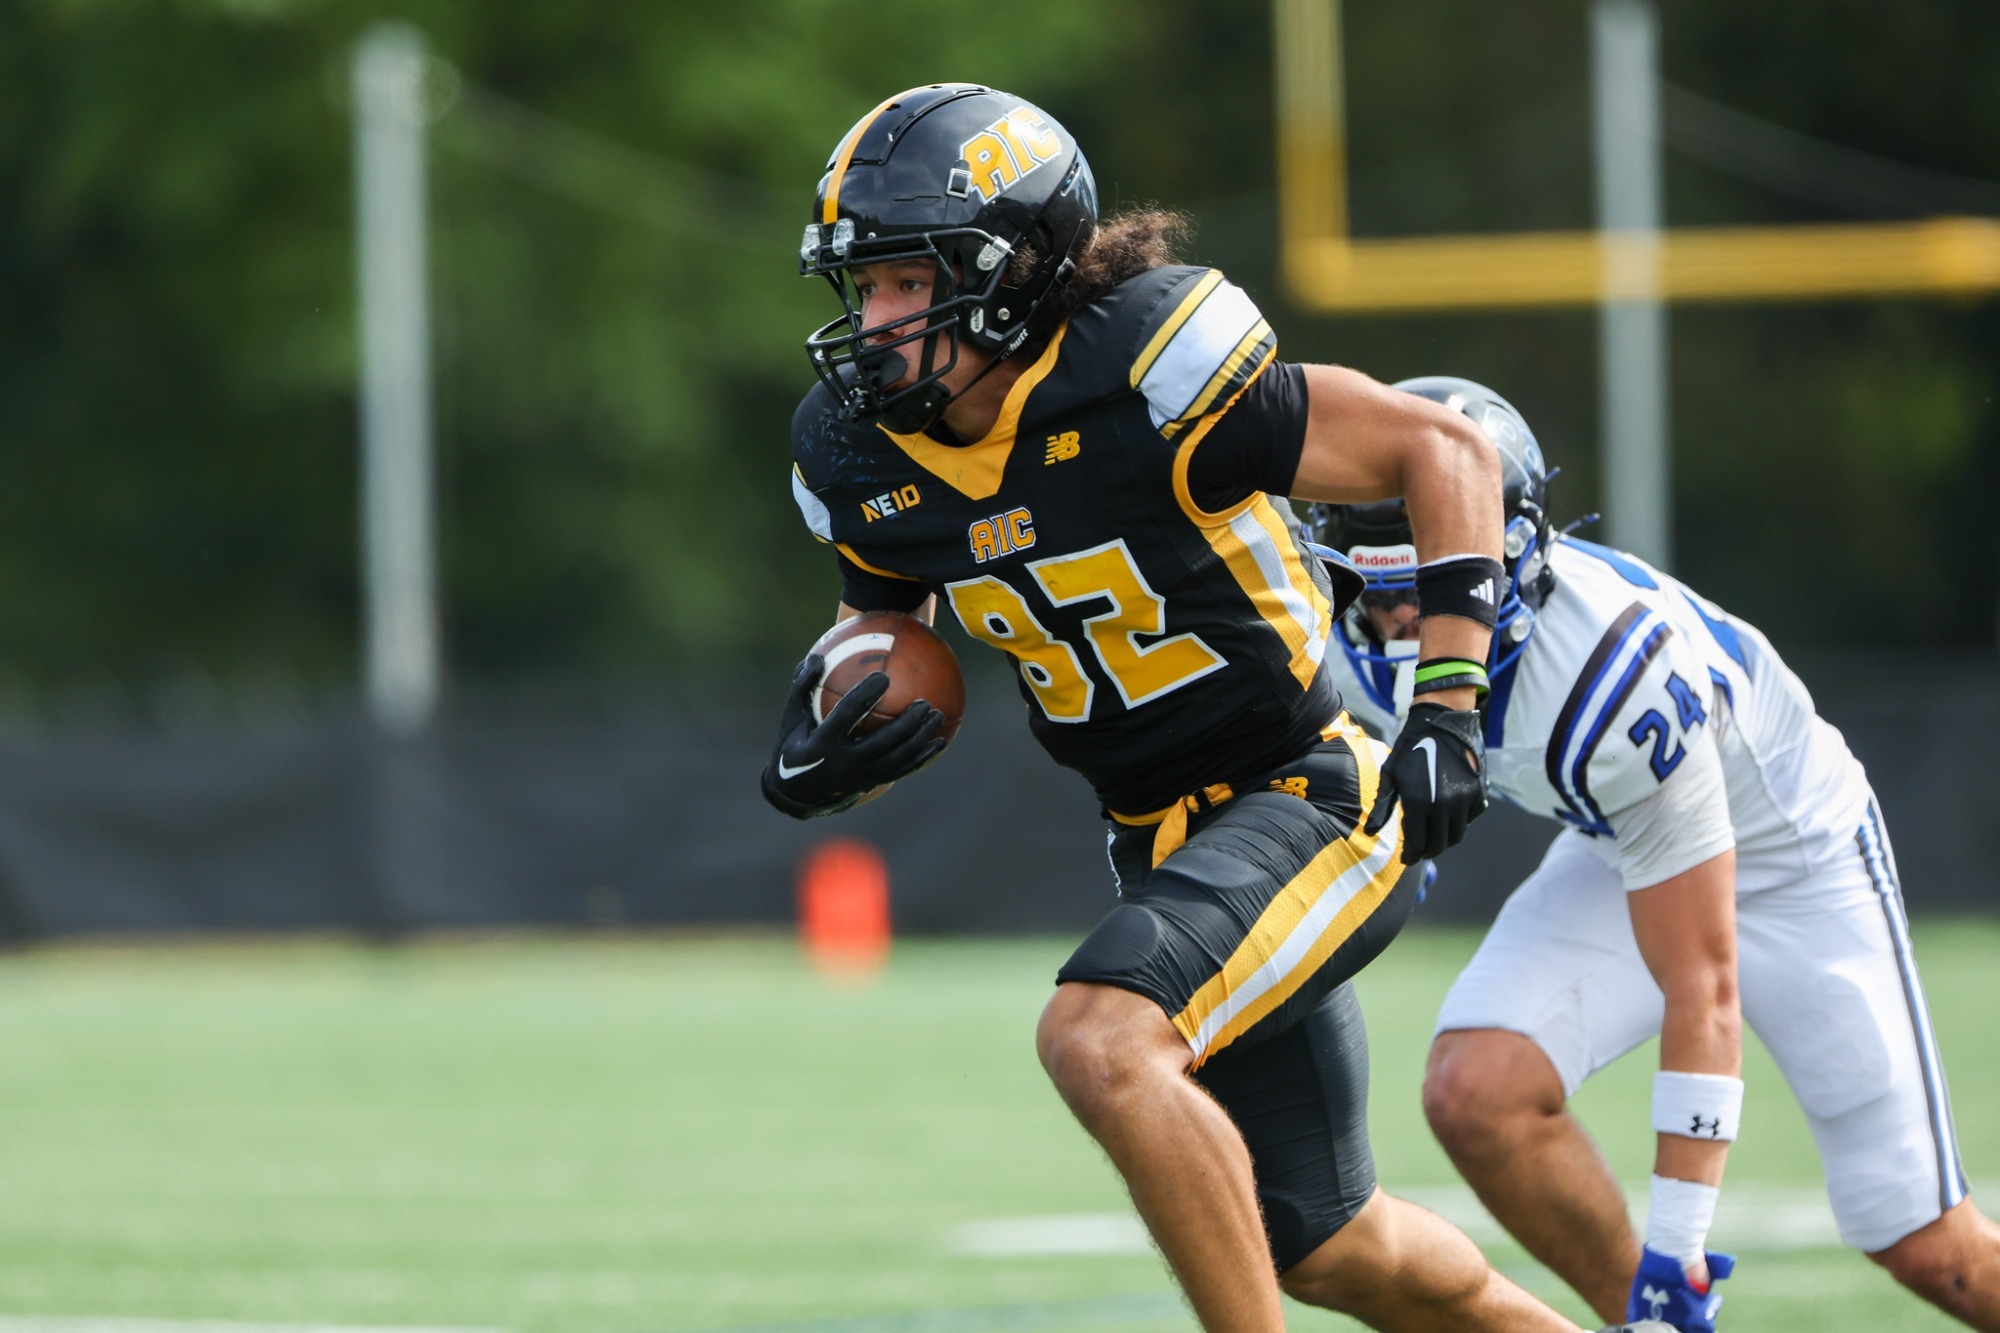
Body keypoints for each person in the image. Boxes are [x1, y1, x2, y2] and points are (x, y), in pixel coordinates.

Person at [761, 82, 1671, 1333]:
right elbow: (891, 628)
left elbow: (1441, 451)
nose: (872, 323)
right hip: (1157, 838)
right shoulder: (859, 454)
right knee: (1326, 1241)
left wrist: (1446, 706)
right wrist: (843, 719)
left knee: (1099, 1039)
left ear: (1010, 268)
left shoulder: (1148, 365)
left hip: (1310, 787)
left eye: (904, 284)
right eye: (859, 289)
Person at [1310, 376, 2000, 1333]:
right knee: (1479, 1094)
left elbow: (1703, 986)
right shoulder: (1344, 633)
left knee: (1930, 1248)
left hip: (1792, 861)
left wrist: (1679, 1244)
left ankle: (1670, 1299)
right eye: (1373, 590)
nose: (1393, 628)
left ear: (1503, 561)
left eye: (1424, 590)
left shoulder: (1616, 675)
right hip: (1626, 836)